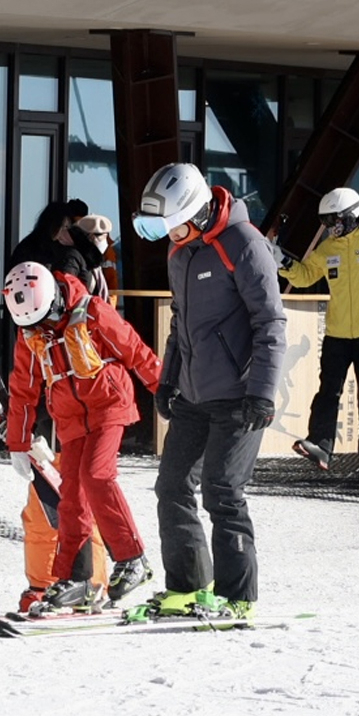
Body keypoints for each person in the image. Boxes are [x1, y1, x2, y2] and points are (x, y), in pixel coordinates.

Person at [133, 163, 286, 622]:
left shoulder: (244, 244)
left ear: (197, 211)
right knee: (172, 485)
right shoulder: (180, 252)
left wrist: (262, 392)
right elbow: (180, 327)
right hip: (195, 395)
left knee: (222, 490)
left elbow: (270, 321)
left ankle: (239, 597)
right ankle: (187, 588)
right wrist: (167, 381)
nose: (168, 234)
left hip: (239, 395)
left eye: (171, 223)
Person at [2, 261, 162, 614]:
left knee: (96, 475)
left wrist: (163, 391)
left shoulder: (92, 312)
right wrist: (18, 442)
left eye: (42, 320)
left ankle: (133, 558)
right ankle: (76, 580)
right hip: (71, 418)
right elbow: (23, 388)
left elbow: (134, 349)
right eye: (30, 325)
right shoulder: (31, 333)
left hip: (109, 403)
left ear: (55, 303)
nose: (38, 330)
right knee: (70, 497)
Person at [275, 186, 359, 474]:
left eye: (334, 221)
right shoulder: (329, 247)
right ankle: (321, 445)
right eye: (326, 223)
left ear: (351, 216)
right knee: (328, 391)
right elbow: (306, 275)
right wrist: (282, 262)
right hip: (336, 332)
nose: (330, 228)